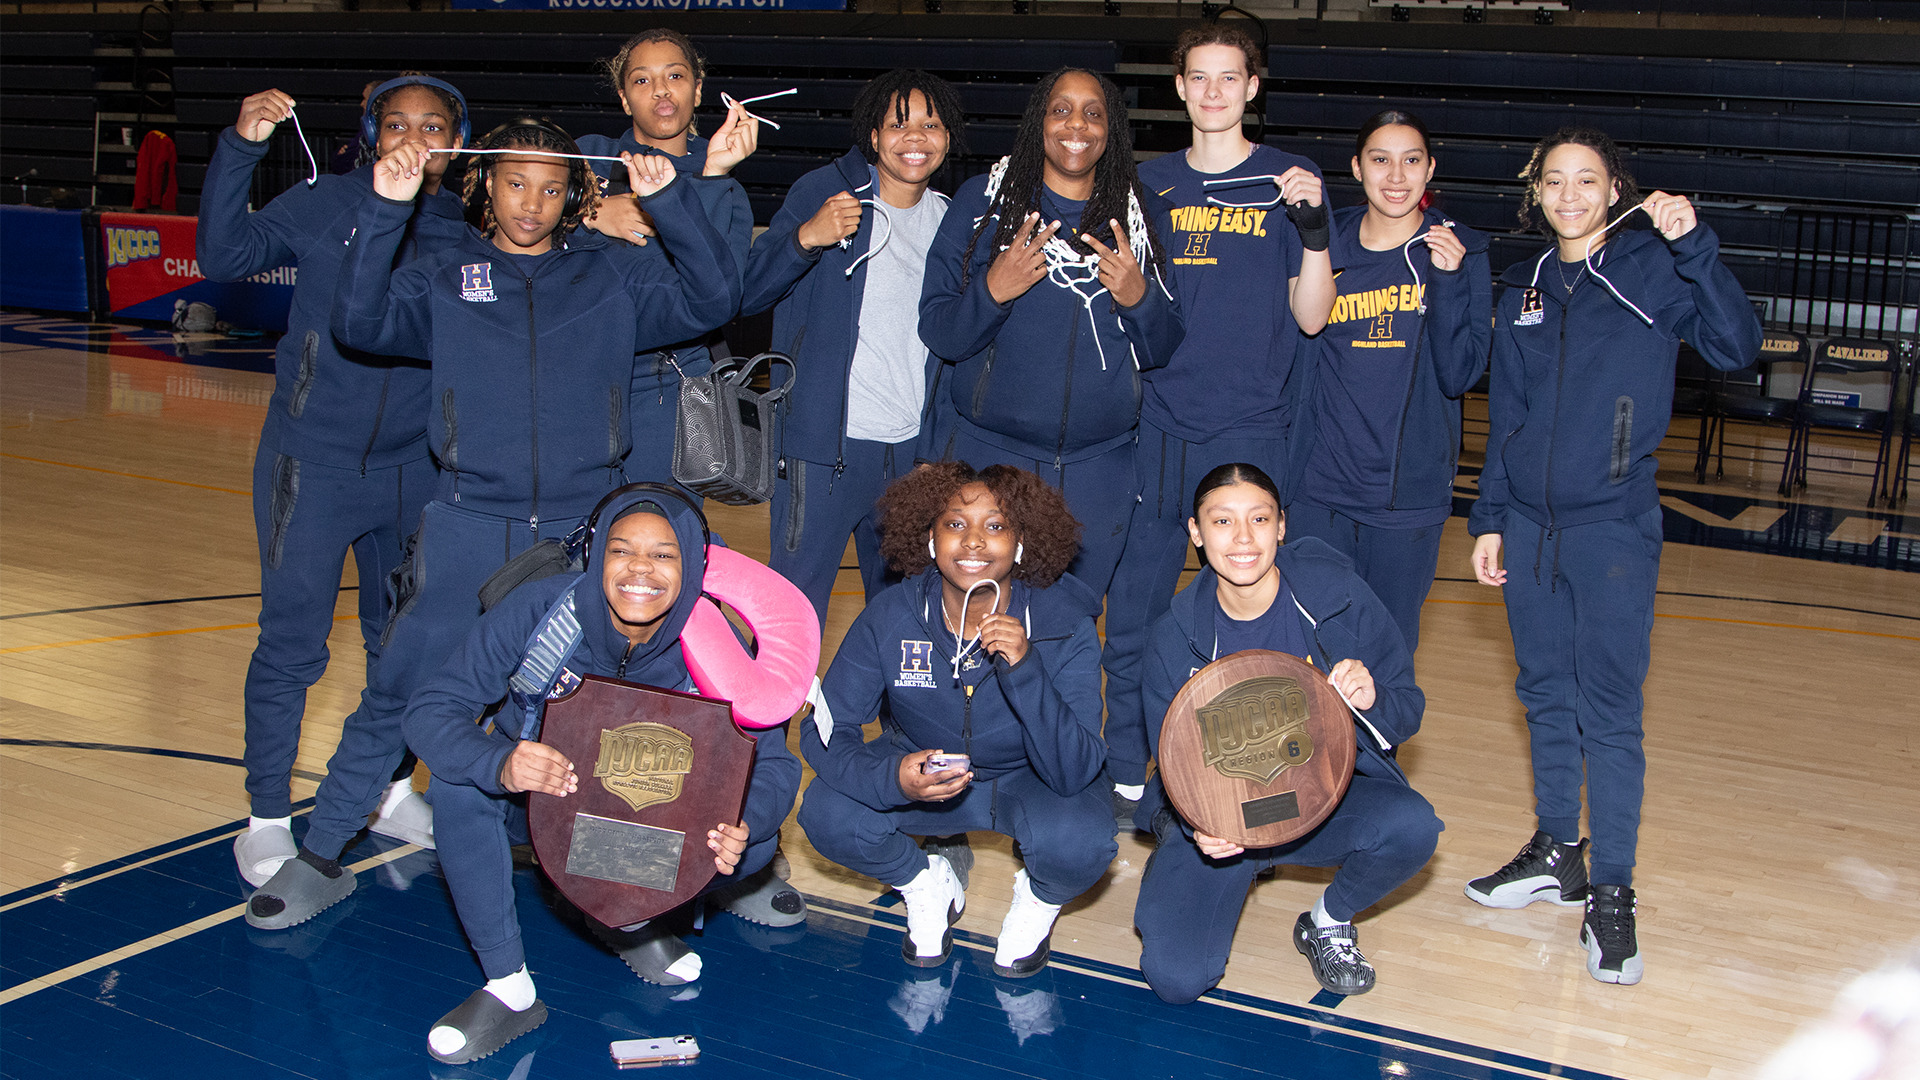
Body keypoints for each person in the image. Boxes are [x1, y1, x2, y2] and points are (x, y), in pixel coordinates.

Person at [241, 118, 740, 932]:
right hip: (469, 526)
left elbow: (716, 297)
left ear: (575, 194)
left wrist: (671, 199)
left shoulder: (611, 278)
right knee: (398, 690)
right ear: (484, 185)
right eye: (515, 183)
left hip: (581, 540)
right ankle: (323, 851)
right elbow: (358, 321)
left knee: (604, 718)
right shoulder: (446, 275)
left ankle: (626, 904)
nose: (532, 203)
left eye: (552, 187)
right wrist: (388, 208)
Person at [1464, 128, 1760, 986]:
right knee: (1543, 694)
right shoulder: (1522, 286)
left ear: (1613, 190)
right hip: (1526, 527)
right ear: (1536, 193)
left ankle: (1614, 889)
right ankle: (1559, 850)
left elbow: (1738, 348)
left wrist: (1695, 246)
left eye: (1585, 180)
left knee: (1609, 712)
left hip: (1612, 531)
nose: (1568, 194)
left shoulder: (1651, 271)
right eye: (1553, 180)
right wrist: (1489, 515)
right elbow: (1508, 412)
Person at [401, 487, 802, 1064]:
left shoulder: (719, 646)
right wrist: (501, 762)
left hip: (648, 816)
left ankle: (627, 922)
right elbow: (432, 708)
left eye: (664, 555)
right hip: (543, 803)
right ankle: (509, 987)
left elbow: (777, 767)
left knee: (756, 845)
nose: (641, 568)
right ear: (596, 554)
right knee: (460, 784)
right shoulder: (542, 613)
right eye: (622, 550)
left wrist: (744, 819)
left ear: (693, 566)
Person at [195, 74, 469, 887]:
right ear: (369, 134)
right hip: (309, 464)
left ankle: (388, 791)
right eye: (397, 124)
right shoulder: (324, 203)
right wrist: (242, 146)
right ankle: (267, 817)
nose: (415, 138)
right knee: (291, 645)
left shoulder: (462, 226)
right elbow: (222, 254)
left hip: (414, 473)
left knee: (403, 644)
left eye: (433, 126)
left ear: (458, 145)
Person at [1102, 25, 1335, 824]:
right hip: (1160, 427)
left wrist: (1312, 235)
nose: (1212, 92)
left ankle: (1251, 784)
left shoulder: (1289, 182)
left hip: (1248, 432)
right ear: (1178, 87)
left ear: (1252, 87)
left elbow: (1313, 318)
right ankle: (1126, 773)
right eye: (1197, 78)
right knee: (1132, 613)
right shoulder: (1147, 185)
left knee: (1250, 622)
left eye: (1227, 78)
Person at [1133, 463, 1440, 1003]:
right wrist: (1196, 825)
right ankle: (1194, 873)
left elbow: (1407, 707)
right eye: (1223, 521)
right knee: (1176, 981)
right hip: (1226, 824)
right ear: (1196, 533)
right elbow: (1172, 760)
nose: (1244, 538)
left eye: (1259, 518)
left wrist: (1373, 699)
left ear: (1282, 525)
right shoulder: (1174, 635)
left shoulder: (1337, 596)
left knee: (1412, 826)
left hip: (1319, 800)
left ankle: (1328, 920)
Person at [797, 462, 1117, 977]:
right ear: (929, 539)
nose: (973, 542)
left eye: (995, 526)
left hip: (1027, 781)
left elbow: (1077, 770)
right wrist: (891, 778)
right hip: (919, 769)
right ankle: (926, 883)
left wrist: (1026, 668)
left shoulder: (1064, 624)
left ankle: (1038, 901)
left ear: (1020, 543)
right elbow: (824, 729)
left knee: (1082, 840)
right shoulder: (890, 615)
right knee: (826, 812)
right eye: (954, 524)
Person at [918, 68, 1180, 600]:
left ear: (1112, 130)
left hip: (1099, 471)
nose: (1075, 125)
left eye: (1092, 112)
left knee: (1072, 634)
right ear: (1039, 121)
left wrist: (1138, 298)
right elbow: (939, 331)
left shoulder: (1145, 217)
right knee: (981, 619)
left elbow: (1162, 349)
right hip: (990, 461)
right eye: (1060, 109)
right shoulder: (983, 204)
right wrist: (993, 291)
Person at [741, 69, 967, 628]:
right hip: (822, 452)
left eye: (931, 125)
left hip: (913, 459)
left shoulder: (950, 220)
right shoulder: (823, 193)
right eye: (898, 124)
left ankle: (895, 722)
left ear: (948, 136)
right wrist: (803, 239)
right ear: (872, 134)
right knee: (791, 616)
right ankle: (766, 722)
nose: (915, 138)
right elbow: (748, 293)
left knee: (904, 620)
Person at [1285, 108, 1492, 661]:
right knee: (1310, 652)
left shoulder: (1461, 251)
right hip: (1318, 492)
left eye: (1411, 161)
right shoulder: (1324, 242)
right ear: (1357, 167)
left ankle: (1378, 754)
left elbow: (1461, 374)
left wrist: (1446, 286)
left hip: (1408, 502)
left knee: (1385, 660)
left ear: (1430, 171)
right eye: (1380, 160)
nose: (1396, 176)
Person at [578, 29, 759, 496]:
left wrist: (712, 177)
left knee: (662, 536)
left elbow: (715, 291)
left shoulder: (725, 186)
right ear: (623, 99)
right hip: (579, 376)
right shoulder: (588, 162)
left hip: (672, 388)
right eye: (642, 80)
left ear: (698, 89)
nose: (660, 90)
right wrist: (588, 214)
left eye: (675, 75)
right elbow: (515, 237)